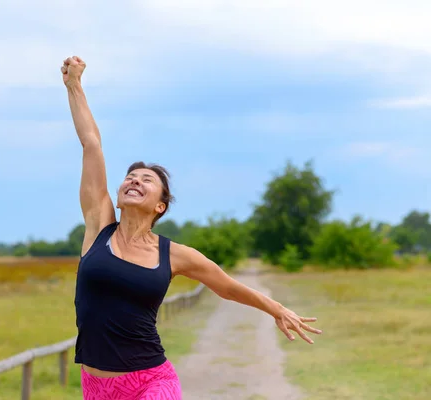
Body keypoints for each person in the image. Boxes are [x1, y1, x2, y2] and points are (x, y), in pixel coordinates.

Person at [61, 56, 322, 400]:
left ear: (160, 206)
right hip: (95, 386)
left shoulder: (174, 255)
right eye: (130, 177)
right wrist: (74, 86)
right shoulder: (99, 227)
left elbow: (227, 287)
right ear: (119, 196)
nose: (134, 181)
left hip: (151, 381)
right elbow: (91, 144)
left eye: (146, 180)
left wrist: (277, 309)